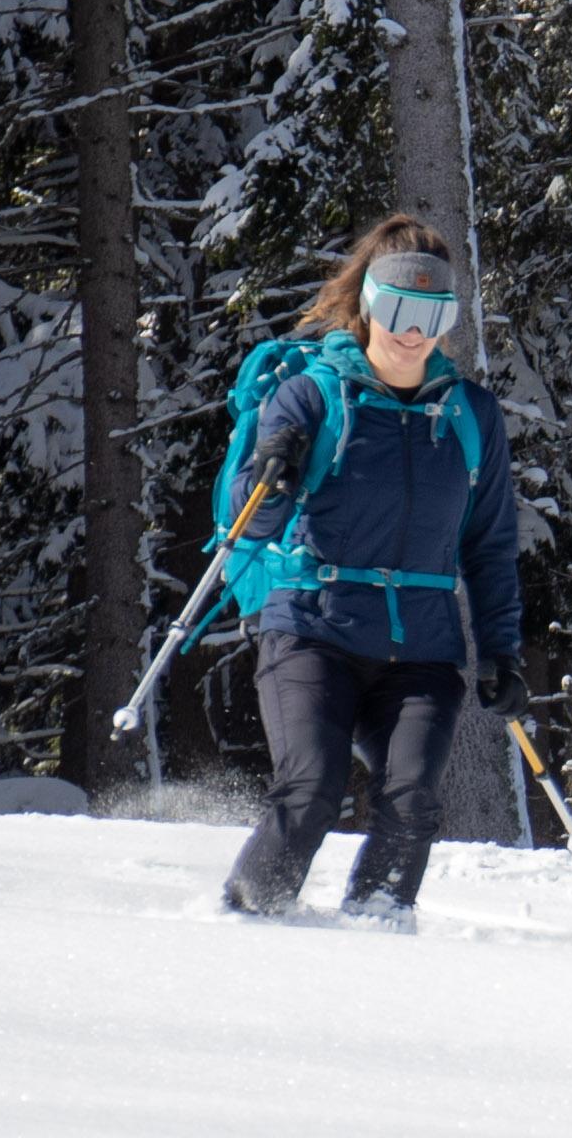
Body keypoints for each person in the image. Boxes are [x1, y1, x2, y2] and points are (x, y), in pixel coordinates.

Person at [216, 217, 525, 927]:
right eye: (398, 310)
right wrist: (273, 472)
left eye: (433, 313)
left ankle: (377, 935)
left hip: (421, 648)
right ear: (367, 305)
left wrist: (501, 649)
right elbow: (248, 528)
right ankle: (244, 923)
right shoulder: (311, 398)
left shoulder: (471, 415)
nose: (413, 332)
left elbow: (489, 544)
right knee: (313, 787)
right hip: (311, 629)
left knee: (412, 801)